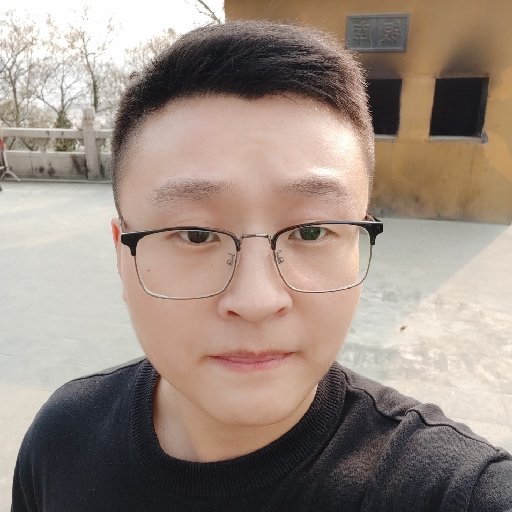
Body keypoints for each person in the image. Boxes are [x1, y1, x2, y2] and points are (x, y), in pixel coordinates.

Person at [11, 20, 512, 511]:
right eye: (196, 234)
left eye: (311, 231)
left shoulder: (457, 492)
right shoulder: (62, 441)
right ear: (123, 254)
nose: (256, 301)